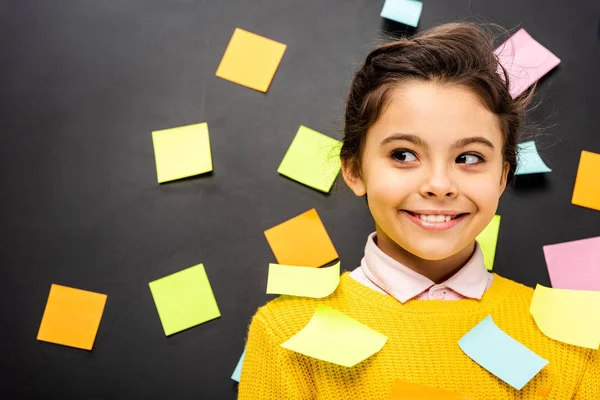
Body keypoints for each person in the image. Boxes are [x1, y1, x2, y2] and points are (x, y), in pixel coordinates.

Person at [238, 22, 600, 399]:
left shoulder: (572, 338)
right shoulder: (286, 332)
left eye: (469, 157)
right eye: (404, 155)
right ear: (354, 170)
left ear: (502, 177)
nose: (439, 184)